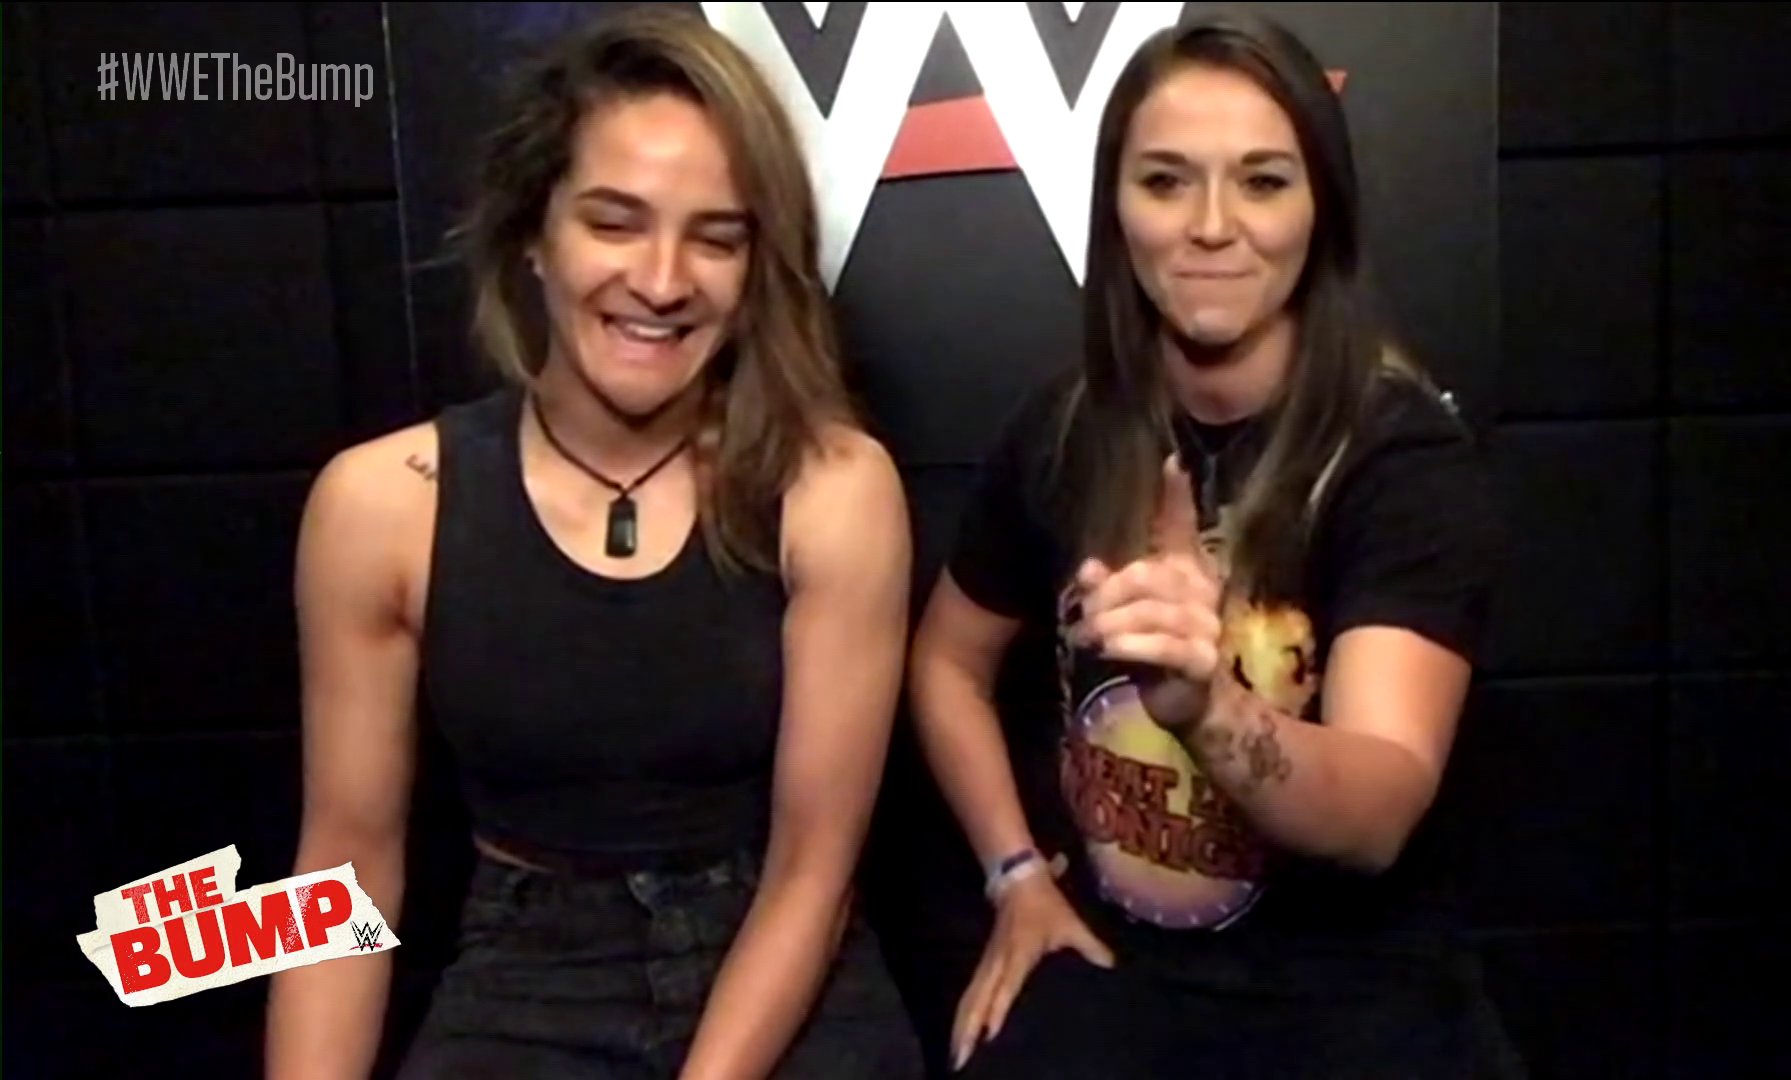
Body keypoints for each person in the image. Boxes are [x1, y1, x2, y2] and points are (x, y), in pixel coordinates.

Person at [264, 8, 923, 1079]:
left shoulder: (835, 490)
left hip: (777, 965)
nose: (662, 281)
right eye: (614, 223)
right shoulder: (382, 504)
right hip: (525, 975)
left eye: (716, 237)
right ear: (535, 234)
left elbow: (814, 870)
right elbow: (344, 870)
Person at [908, 10, 1522, 1079]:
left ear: (1320, 208)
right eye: (1165, 181)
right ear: (1117, 208)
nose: (1211, 226)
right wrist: (1016, 875)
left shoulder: (1400, 456)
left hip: (1352, 996)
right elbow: (946, 664)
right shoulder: (1065, 431)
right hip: (1123, 977)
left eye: (1263, 181)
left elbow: (1378, 809)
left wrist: (1208, 705)